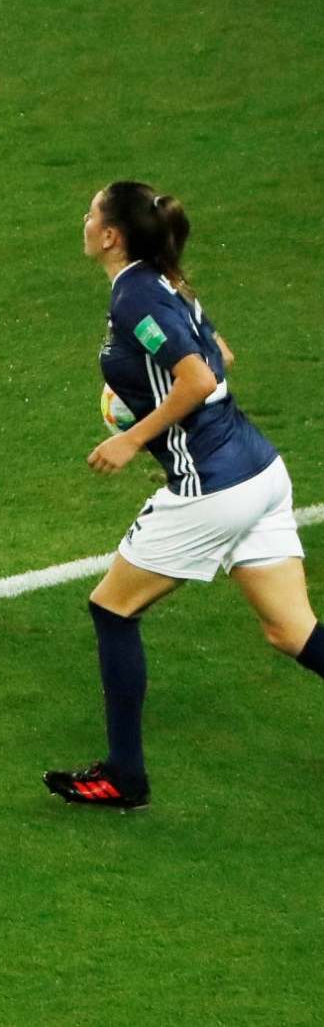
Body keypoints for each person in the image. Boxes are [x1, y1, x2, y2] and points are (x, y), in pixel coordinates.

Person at [43, 183, 320, 809]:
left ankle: (124, 776)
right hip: (259, 471)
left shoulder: (137, 294)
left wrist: (134, 437)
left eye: (91, 214)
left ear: (111, 236)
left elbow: (197, 375)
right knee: (290, 631)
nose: (84, 222)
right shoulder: (163, 283)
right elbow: (220, 355)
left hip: (212, 487)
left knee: (112, 609)